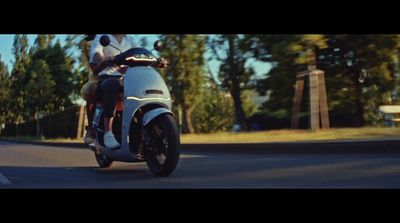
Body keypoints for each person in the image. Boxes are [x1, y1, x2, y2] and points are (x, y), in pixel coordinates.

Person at [88, 34, 136, 149]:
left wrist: (155, 60)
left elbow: (139, 52)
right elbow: (96, 53)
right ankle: (108, 132)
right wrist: (104, 59)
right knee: (112, 84)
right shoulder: (102, 36)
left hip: (128, 78)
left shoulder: (130, 39)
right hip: (108, 77)